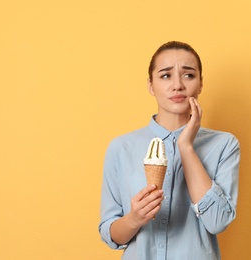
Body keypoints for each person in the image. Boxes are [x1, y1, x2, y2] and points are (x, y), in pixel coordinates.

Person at [99, 41, 240, 259]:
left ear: (201, 83)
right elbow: (110, 234)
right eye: (165, 76)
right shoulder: (121, 148)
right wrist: (134, 219)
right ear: (150, 85)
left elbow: (217, 222)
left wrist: (186, 146)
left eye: (188, 75)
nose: (177, 85)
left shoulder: (224, 145)